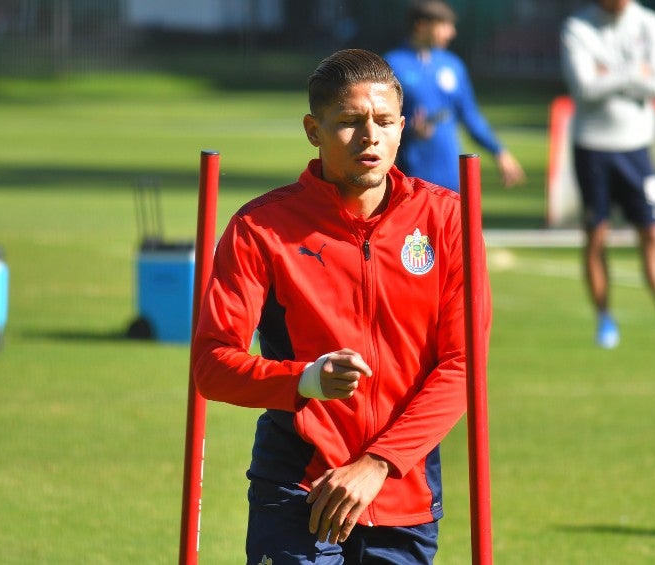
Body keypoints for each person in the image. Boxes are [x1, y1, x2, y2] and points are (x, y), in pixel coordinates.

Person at [191, 48, 487, 564]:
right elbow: (213, 366)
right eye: (349, 122)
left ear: (402, 127)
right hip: (298, 489)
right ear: (313, 129)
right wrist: (303, 380)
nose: (370, 136)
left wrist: (378, 464)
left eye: (385, 121)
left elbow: (463, 367)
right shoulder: (261, 228)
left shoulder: (448, 220)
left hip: (403, 491)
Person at [559, 0, 655, 349]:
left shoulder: (650, 24)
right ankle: (604, 319)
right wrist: (633, 75)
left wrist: (607, 75)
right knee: (597, 234)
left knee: (654, 233)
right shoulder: (577, 27)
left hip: (636, 147)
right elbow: (583, 88)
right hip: (591, 146)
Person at [384, 0, 525, 192]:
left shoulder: (453, 65)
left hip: (452, 177)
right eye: (444, 25)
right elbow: (380, 122)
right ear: (422, 25)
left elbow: (470, 115)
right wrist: (407, 130)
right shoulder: (393, 64)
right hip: (410, 177)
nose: (451, 33)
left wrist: (499, 152)